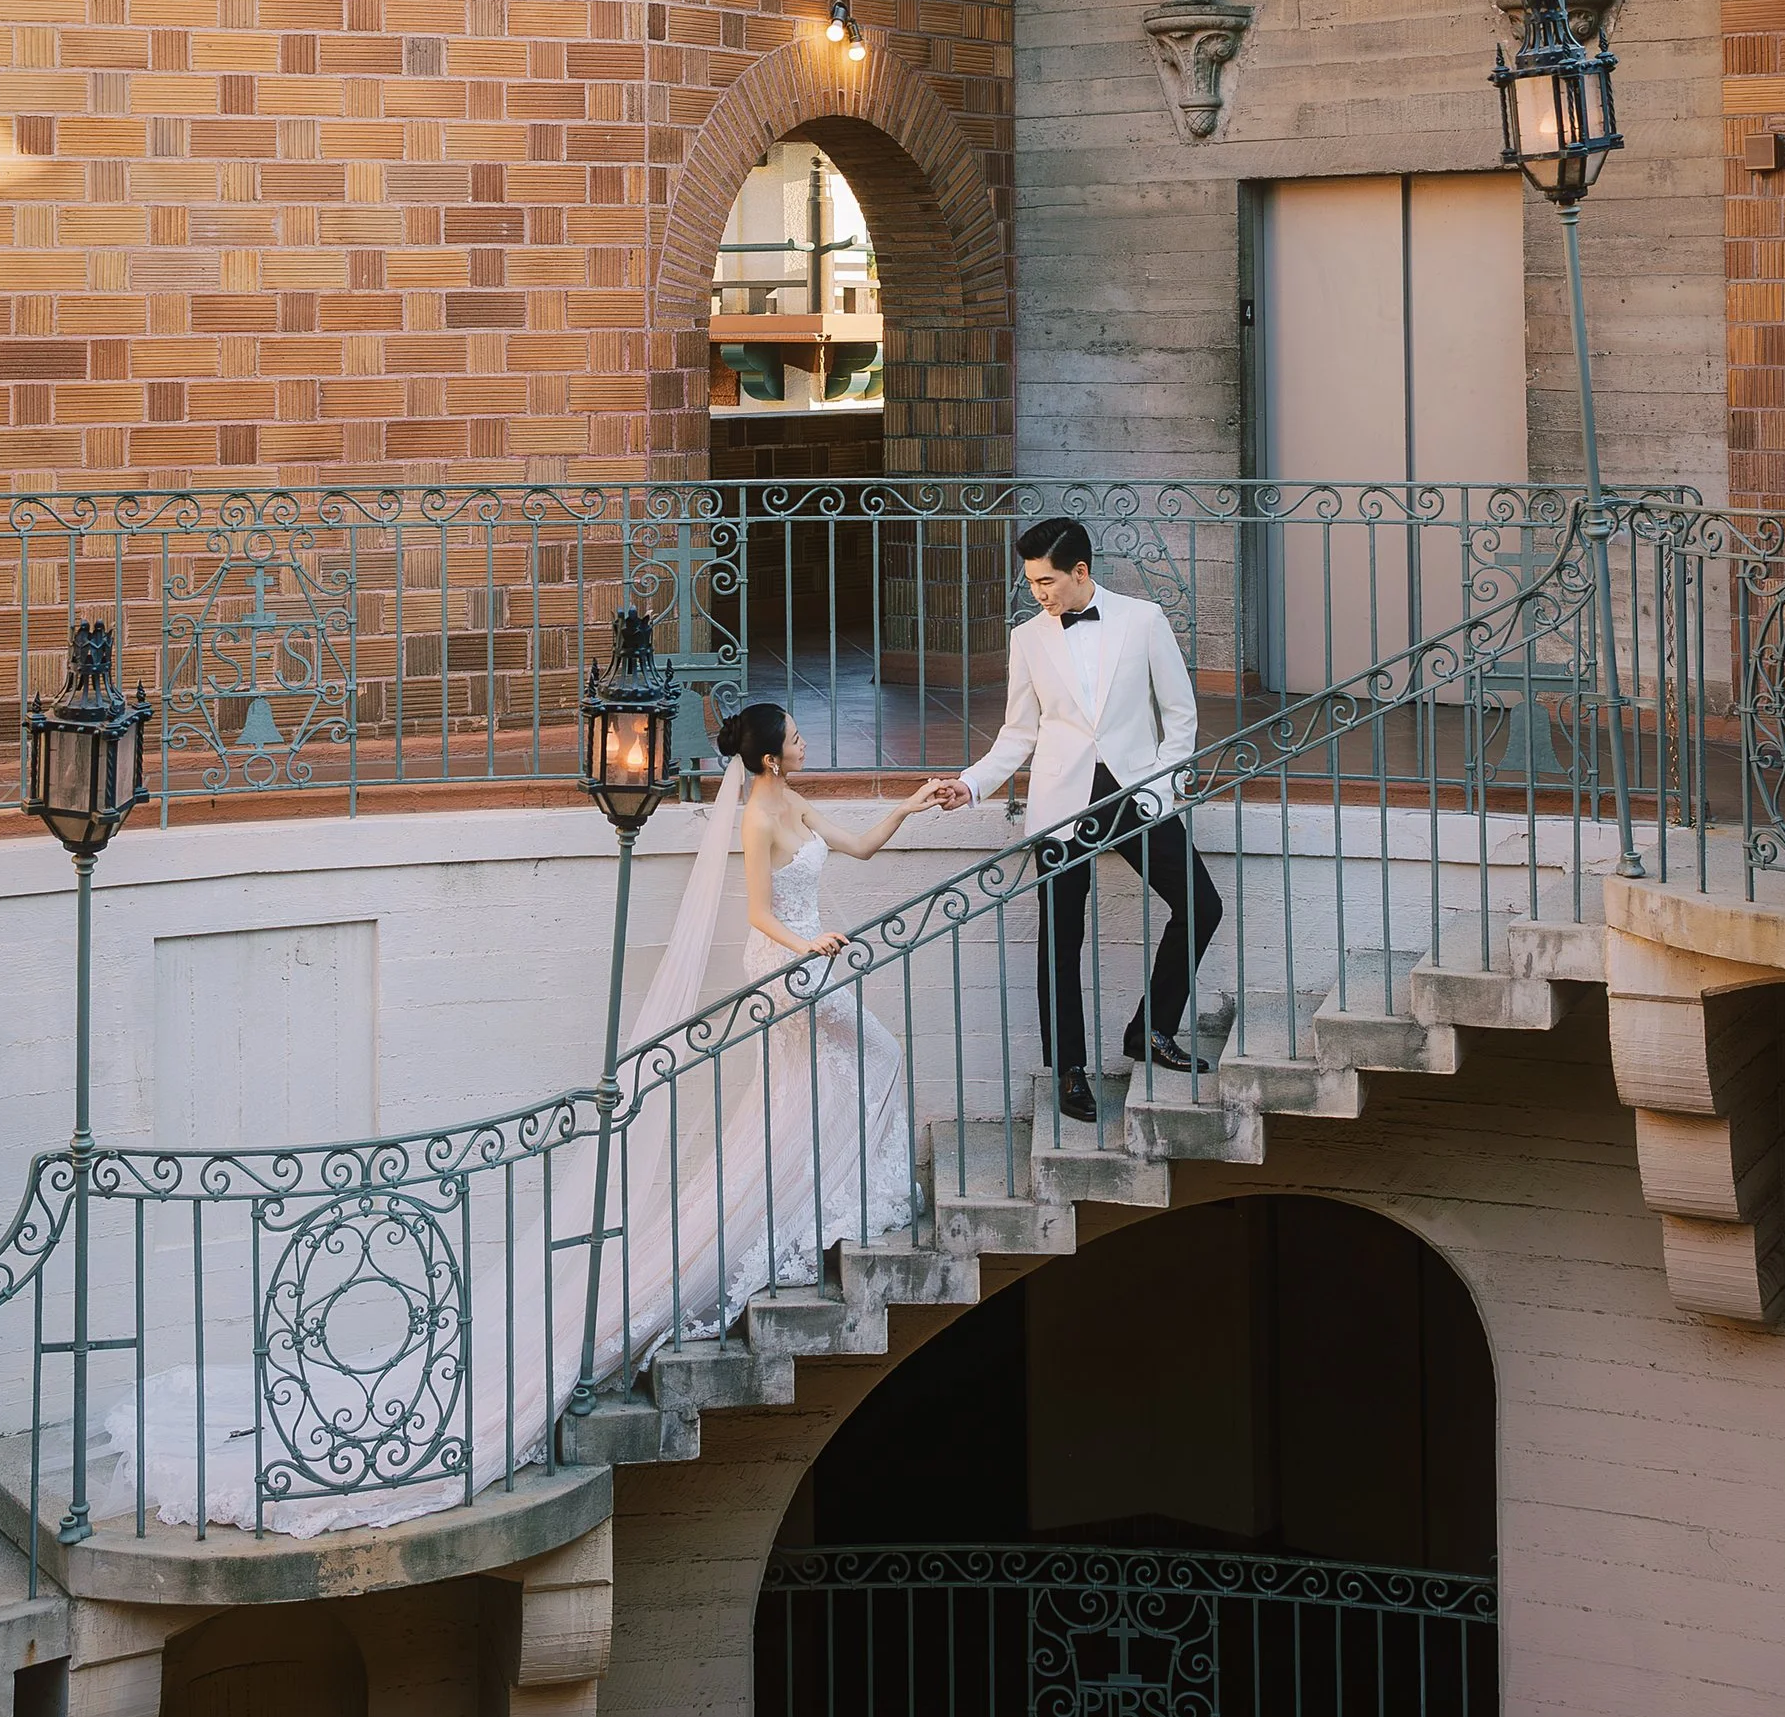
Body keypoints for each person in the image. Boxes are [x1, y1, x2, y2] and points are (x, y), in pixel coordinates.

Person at [108, 708, 942, 1536]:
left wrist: (912, 802)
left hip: (809, 957)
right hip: (787, 964)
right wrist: (808, 946)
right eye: (793, 735)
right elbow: (760, 915)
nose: (803, 742)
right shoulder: (760, 814)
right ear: (765, 756)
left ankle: (827, 1206)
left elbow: (859, 843)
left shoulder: (793, 800)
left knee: (836, 1076)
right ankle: (823, 1210)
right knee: (857, 1061)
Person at [927, 516, 1212, 1126]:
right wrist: (971, 784)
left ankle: (1152, 1030)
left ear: (1081, 571)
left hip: (1138, 793)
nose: (1039, 594)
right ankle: (1070, 1069)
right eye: (1032, 583)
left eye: (1047, 581)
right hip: (1061, 805)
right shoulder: (1028, 639)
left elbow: (1180, 717)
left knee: (1201, 905)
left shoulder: (1143, 620)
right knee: (1060, 942)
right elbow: (1018, 733)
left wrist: (1159, 789)